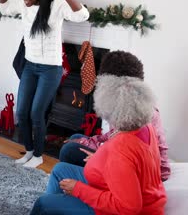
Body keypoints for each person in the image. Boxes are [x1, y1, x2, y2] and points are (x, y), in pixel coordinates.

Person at [31, 75, 167, 214]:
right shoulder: (143, 127)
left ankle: (51, 208)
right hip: (116, 186)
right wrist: (101, 159)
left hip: (119, 208)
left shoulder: (121, 150)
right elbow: (131, 166)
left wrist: (78, 189)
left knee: (42, 204)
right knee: (60, 170)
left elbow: (129, 208)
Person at [0, 0, 89, 168]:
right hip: (30, 66)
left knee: (37, 112)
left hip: (51, 69)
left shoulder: (56, 5)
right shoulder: (23, 5)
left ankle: (38, 155)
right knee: (21, 111)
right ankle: (29, 151)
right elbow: (5, 9)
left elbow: (83, 15)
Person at [59, 51, 171, 181]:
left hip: (130, 172)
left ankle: (76, 187)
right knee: (76, 138)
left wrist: (100, 159)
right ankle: (75, 184)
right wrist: (82, 142)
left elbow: (124, 153)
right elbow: (111, 138)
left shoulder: (136, 116)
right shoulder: (127, 104)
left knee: (69, 150)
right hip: (120, 159)